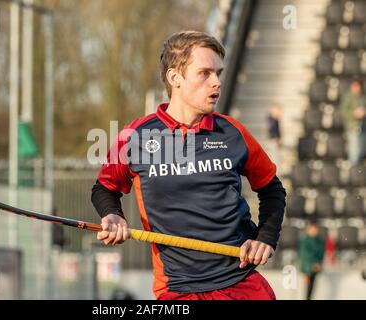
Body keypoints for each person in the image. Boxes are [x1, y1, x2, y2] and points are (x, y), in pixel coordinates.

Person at [91, 31, 286, 300]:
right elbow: (104, 188)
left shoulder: (233, 132)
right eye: (205, 73)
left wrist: (265, 238)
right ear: (175, 78)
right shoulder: (133, 135)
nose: (216, 82)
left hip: (242, 284)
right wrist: (112, 214)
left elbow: (272, 189)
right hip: (178, 291)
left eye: (218, 73)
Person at [339, 79, 366, 165]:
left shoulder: (364, 97)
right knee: (354, 151)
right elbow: (343, 111)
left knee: (362, 149)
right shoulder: (348, 97)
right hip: (353, 127)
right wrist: (354, 113)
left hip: (364, 127)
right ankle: (354, 169)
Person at [298, 219, 325, 300]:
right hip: (308, 268)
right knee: (307, 289)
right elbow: (304, 255)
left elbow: (321, 253)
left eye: (316, 228)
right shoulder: (304, 240)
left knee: (312, 289)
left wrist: (319, 263)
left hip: (315, 268)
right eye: (313, 228)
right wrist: (311, 265)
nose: (315, 230)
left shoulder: (320, 240)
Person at [266, 105, 282, 169]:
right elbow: (271, 130)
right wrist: (275, 138)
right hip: (273, 140)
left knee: (276, 156)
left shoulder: (275, 120)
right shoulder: (271, 119)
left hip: (275, 139)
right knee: (274, 156)